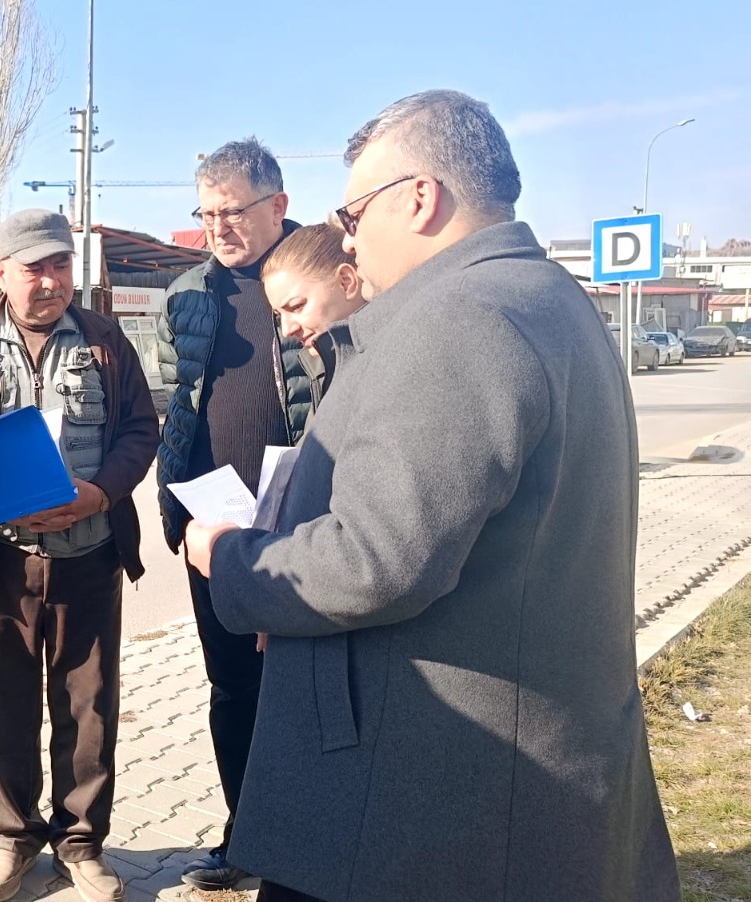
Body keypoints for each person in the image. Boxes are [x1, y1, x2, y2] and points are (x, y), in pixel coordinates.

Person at [185, 89, 679, 902]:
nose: (347, 237)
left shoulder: (460, 318)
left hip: (422, 806)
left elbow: (377, 559)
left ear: (420, 198)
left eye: (353, 213)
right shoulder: (546, 296)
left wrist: (235, 559)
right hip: (499, 780)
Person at [0, 209, 158, 902]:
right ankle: (14, 838)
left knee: (90, 709)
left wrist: (99, 494)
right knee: (4, 706)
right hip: (0, 564)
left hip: (90, 556)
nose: (51, 281)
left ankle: (81, 842)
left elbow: (140, 430)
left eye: (61, 265)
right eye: (34, 268)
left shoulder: (105, 340)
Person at [153, 137, 309, 892]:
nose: (218, 227)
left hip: (303, 525)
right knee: (233, 686)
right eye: (206, 213)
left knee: (305, 686)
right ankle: (246, 834)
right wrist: (177, 508)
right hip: (212, 526)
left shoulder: (321, 271)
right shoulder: (189, 295)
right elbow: (177, 403)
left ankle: (311, 839)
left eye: (233, 211)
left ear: (278, 205)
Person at [259, 222, 367, 412]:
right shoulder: (324, 370)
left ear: (346, 281)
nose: (287, 330)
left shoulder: (394, 365)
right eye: (279, 315)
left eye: (296, 306)